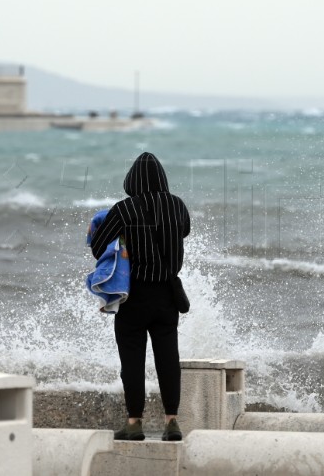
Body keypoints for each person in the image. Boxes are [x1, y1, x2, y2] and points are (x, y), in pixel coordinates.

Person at [90, 152, 190, 441]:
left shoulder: (123, 209)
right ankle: (172, 422)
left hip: (133, 296)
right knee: (168, 359)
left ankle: (134, 423)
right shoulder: (177, 205)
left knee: (132, 361)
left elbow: (99, 248)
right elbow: (184, 231)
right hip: (168, 296)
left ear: (131, 180)